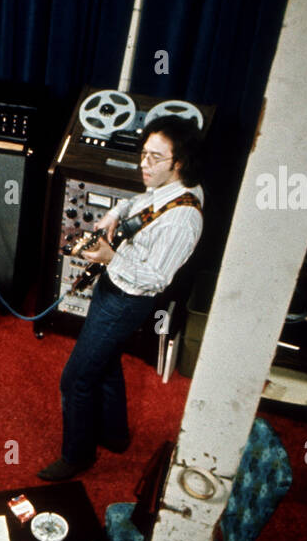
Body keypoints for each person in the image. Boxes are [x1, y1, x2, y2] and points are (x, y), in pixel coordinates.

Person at [38, 115, 205, 481]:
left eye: (154, 158)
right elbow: (145, 202)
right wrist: (115, 212)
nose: (143, 164)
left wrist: (111, 257)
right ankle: (114, 435)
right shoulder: (170, 191)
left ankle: (76, 456)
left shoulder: (184, 220)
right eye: (143, 154)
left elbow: (157, 279)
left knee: (76, 378)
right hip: (114, 287)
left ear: (178, 163)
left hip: (126, 299)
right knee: (107, 361)